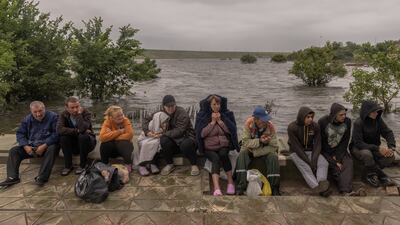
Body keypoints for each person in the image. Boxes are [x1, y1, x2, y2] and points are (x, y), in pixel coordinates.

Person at [0, 101, 59, 187]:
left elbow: (57, 134)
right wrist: (25, 146)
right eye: (35, 112)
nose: (38, 114)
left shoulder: (54, 117)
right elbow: (20, 134)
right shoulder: (27, 119)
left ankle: (42, 177)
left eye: (40, 111)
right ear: (31, 111)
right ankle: (12, 177)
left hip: (47, 146)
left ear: (44, 109)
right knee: (14, 151)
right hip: (32, 147)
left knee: (53, 147)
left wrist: (44, 145)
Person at [142, 95, 199, 176]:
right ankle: (170, 164)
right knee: (163, 140)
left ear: (175, 104)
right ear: (163, 106)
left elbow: (180, 130)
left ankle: (194, 164)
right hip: (172, 141)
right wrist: (147, 131)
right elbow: (146, 119)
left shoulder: (182, 112)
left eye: (172, 106)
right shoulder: (160, 111)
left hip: (186, 137)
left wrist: (163, 134)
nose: (170, 108)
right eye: (168, 106)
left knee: (185, 145)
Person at [195, 95, 240, 196]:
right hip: (209, 147)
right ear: (209, 105)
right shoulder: (202, 116)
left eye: (218, 104)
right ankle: (216, 187)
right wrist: (212, 123)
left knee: (223, 154)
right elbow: (201, 134)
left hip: (223, 145)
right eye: (214, 104)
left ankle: (230, 183)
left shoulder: (227, 114)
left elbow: (232, 131)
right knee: (215, 158)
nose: (216, 106)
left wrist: (220, 122)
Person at [235, 106, 281, 196]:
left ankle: (274, 187)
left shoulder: (270, 126)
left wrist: (263, 146)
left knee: (273, 157)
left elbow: (275, 145)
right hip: (250, 149)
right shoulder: (248, 124)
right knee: (242, 155)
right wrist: (259, 141)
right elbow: (245, 142)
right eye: (263, 119)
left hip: (264, 150)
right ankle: (241, 186)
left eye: (266, 119)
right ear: (256, 119)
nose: (265, 122)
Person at [350, 100, 396, 187]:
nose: (376, 113)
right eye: (374, 111)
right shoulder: (358, 123)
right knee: (367, 154)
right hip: (358, 148)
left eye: (377, 111)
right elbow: (359, 143)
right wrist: (378, 148)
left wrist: (391, 146)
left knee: (390, 156)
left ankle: (371, 173)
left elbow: (388, 132)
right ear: (367, 112)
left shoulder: (378, 120)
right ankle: (381, 176)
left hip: (373, 148)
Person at [288, 106, 331, 197]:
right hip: (296, 152)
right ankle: (316, 187)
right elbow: (296, 147)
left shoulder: (315, 126)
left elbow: (317, 144)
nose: (310, 119)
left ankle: (322, 183)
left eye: (312, 117)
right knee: (305, 167)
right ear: (301, 117)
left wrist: (314, 160)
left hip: (311, 150)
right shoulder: (292, 127)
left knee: (324, 163)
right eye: (308, 117)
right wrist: (310, 163)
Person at [318, 103, 356, 195]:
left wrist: (338, 156)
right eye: (341, 115)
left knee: (348, 162)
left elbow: (345, 141)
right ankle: (346, 190)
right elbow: (321, 143)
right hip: (326, 151)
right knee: (336, 167)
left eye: (345, 114)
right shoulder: (323, 122)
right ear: (334, 115)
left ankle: (345, 190)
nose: (344, 116)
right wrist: (333, 159)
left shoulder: (347, 122)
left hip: (341, 150)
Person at [57, 97, 96, 175]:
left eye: (77, 107)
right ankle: (68, 166)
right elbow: (59, 129)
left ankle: (83, 165)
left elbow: (82, 128)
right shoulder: (63, 114)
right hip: (74, 144)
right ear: (67, 108)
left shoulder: (86, 113)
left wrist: (79, 115)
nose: (75, 109)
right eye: (72, 107)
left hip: (88, 143)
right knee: (63, 137)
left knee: (83, 136)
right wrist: (77, 131)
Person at [99, 105, 134, 173]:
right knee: (105, 144)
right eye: (118, 116)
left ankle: (128, 164)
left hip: (123, 150)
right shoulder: (107, 122)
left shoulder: (125, 120)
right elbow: (102, 137)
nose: (121, 117)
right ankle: (105, 164)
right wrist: (119, 132)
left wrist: (111, 135)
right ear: (111, 118)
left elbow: (130, 135)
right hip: (112, 151)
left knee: (124, 143)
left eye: (122, 115)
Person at [136, 111, 169, 176]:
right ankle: (142, 164)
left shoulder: (164, 126)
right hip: (146, 138)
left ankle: (152, 163)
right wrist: (151, 134)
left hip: (156, 139)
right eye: (163, 123)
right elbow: (145, 134)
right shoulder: (151, 124)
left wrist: (160, 135)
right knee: (146, 144)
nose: (165, 124)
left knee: (157, 144)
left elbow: (163, 132)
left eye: (166, 122)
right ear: (158, 121)